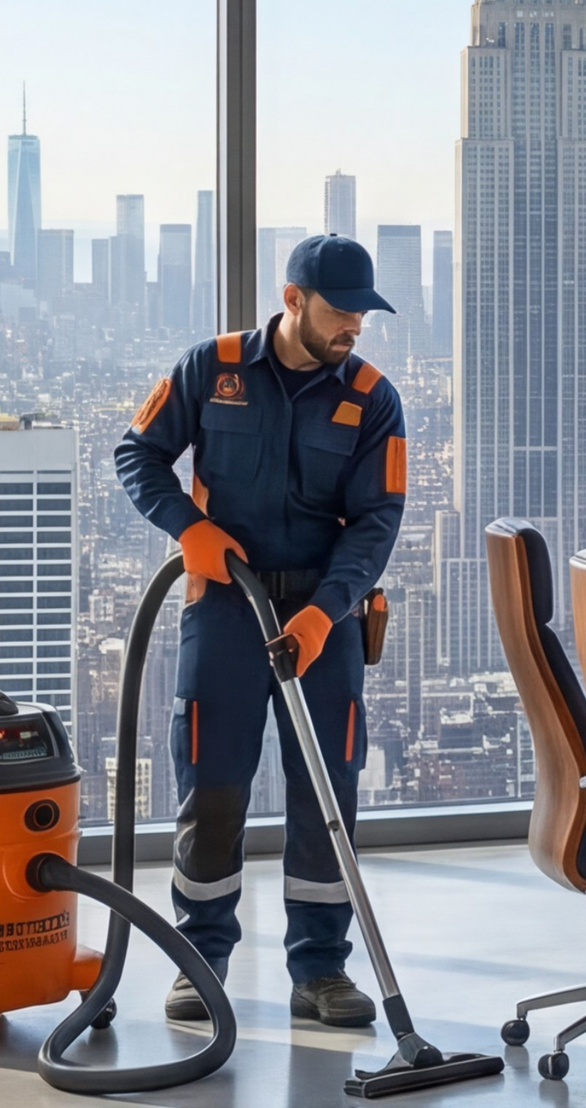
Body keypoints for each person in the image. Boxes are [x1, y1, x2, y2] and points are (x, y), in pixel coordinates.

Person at [113, 234, 409, 1029]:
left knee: (326, 793)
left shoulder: (372, 398)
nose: (354, 326)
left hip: (323, 620)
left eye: (362, 313)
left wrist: (326, 611)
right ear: (293, 298)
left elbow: (379, 521)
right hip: (225, 610)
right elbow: (137, 453)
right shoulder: (211, 368)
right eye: (341, 311)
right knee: (211, 786)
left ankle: (320, 969)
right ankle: (200, 957)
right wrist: (187, 527)